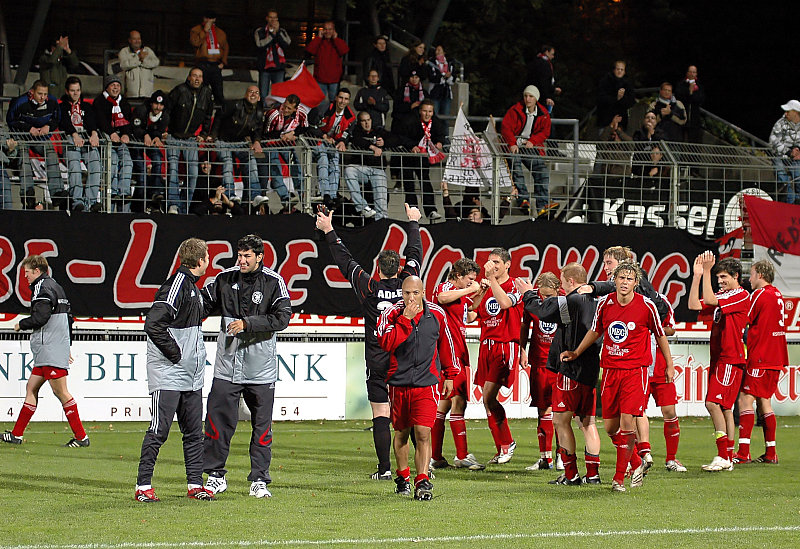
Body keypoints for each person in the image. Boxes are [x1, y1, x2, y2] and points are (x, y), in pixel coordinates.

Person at [315, 204, 422, 480]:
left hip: (377, 359)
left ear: (378, 268)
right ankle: (421, 467)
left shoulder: (369, 288)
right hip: (404, 359)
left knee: (381, 413)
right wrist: (413, 222)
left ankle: (384, 469)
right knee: (410, 413)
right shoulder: (408, 288)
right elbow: (415, 254)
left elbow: (345, 262)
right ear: (399, 269)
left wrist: (329, 230)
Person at [561, 261, 672, 492]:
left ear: (635, 282)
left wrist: (669, 365)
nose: (624, 282)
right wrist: (576, 352)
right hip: (610, 370)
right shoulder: (605, 303)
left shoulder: (647, 306)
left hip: (636, 371)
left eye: (629, 279)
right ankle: (636, 462)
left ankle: (619, 478)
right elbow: (595, 331)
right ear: (615, 280)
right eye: (621, 278)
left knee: (627, 421)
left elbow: (661, 335)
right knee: (611, 428)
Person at [201, 235, 292, 499]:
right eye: (239, 255)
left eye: (246, 256)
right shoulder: (224, 279)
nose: (241, 260)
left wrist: (248, 324)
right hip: (227, 367)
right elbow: (202, 305)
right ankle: (215, 476)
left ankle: (259, 480)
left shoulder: (274, 282)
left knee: (262, 427)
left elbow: (283, 318)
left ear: (259, 257)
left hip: (260, 369)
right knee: (217, 422)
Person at [135, 238, 213, 503]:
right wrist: (175, 354)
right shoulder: (176, 285)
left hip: (190, 376)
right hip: (169, 373)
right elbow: (153, 324)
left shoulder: (191, 287)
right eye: (207, 256)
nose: (208, 261)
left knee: (194, 433)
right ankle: (143, 486)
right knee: (159, 431)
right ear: (200, 260)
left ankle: (195, 484)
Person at [516, 263, 603, 485]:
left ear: (571, 281)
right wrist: (597, 286)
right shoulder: (599, 301)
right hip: (591, 370)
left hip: (570, 369)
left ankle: (571, 474)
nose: (562, 284)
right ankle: (593, 475)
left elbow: (542, 311)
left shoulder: (569, 301)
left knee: (560, 421)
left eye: (563, 280)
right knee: (588, 423)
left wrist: (528, 294)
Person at [376, 276, 459, 500]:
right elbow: (385, 342)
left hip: (427, 382)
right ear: (401, 294)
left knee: (423, 432)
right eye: (406, 293)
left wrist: (450, 374)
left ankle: (422, 479)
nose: (411, 297)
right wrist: (405, 320)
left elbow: (446, 344)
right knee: (401, 432)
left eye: (415, 293)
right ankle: (402, 477)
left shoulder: (437, 314)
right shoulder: (391, 313)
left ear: (423, 293)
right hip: (398, 383)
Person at [2, 255, 87, 448]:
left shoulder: (42, 288)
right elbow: (69, 318)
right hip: (50, 348)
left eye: (27, 272)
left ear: (37, 271)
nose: (25, 276)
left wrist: (21, 324)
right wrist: (66, 345)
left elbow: (41, 317)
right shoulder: (56, 286)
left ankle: (82, 437)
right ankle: (16, 435)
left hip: (50, 348)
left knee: (61, 392)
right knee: (31, 388)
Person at [687, 251, 749, 472]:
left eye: (724, 277)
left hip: (730, 358)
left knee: (712, 403)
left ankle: (723, 456)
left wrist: (706, 271)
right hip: (721, 358)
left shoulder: (741, 295)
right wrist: (697, 276)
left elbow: (710, 300)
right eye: (718, 277)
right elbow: (694, 305)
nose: (720, 281)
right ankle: (728, 457)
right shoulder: (725, 296)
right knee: (725, 408)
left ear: (736, 277)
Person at [470, 248, 524, 464]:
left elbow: (505, 303)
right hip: (486, 346)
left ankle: (508, 442)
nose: (492, 266)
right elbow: (471, 313)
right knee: (487, 401)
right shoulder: (487, 287)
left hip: (504, 346)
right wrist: (481, 292)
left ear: (508, 264)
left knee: (488, 396)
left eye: (497, 262)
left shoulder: (515, 286)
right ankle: (502, 448)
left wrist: (491, 280)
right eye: (490, 262)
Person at [429, 258, 484, 472]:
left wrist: (479, 293)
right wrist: (470, 290)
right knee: (459, 401)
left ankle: (435, 456)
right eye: (469, 279)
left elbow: (469, 315)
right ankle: (462, 456)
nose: (472, 282)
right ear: (458, 275)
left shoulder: (460, 294)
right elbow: (441, 297)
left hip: (458, 351)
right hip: (449, 353)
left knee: (443, 405)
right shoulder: (446, 287)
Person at [733, 259, 787, 465]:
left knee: (745, 399)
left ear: (761, 275)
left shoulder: (759, 295)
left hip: (762, 356)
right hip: (776, 356)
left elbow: (743, 318)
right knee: (764, 401)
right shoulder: (777, 294)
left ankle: (743, 452)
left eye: (752, 274)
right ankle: (771, 453)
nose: (749, 279)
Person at [519, 273, 560, 471]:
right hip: (538, 362)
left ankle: (562, 456)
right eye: (543, 295)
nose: (545, 299)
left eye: (549, 295)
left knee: (560, 412)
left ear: (558, 290)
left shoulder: (565, 302)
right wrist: (522, 349)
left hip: (559, 365)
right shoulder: (533, 301)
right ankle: (545, 458)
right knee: (542, 409)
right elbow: (525, 325)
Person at [645, 293, 686, 472]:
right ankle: (639, 457)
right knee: (636, 414)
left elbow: (671, 329)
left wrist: (654, 327)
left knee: (669, 411)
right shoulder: (626, 302)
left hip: (660, 367)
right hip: (639, 368)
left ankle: (671, 459)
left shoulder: (660, 300)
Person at [5, 80, 62, 209]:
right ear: (32, 92)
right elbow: (11, 120)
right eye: (40, 94)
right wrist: (28, 128)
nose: (43, 97)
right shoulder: (20, 102)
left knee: (51, 153)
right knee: (23, 157)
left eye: (45, 94)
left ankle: (57, 193)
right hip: (22, 136)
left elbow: (57, 118)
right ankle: (28, 195)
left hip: (41, 137)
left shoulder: (52, 102)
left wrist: (49, 126)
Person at [166, 67, 214, 214]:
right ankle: (173, 204)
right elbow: (166, 110)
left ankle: (184, 208)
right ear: (189, 77)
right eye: (194, 76)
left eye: (200, 76)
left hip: (191, 138)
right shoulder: (179, 90)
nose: (197, 79)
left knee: (193, 173)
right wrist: (164, 130)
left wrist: (204, 134)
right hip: (173, 136)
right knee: (173, 170)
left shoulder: (206, 93)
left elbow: (208, 116)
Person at [500, 85, 553, 216]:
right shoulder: (515, 110)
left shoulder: (543, 114)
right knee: (516, 167)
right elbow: (506, 128)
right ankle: (523, 200)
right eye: (525, 96)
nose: (527, 99)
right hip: (514, 146)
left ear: (536, 99)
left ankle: (542, 205)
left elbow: (545, 132)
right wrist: (512, 143)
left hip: (530, 147)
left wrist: (533, 141)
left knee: (542, 171)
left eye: (531, 96)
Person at [210, 85, 265, 210]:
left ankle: (255, 195)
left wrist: (257, 141)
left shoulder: (259, 112)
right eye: (251, 92)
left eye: (256, 93)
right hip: (223, 141)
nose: (253, 94)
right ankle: (230, 195)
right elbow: (218, 117)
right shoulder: (234, 105)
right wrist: (213, 136)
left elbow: (257, 130)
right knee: (228, 163)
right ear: (245, 94)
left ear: (259, 97)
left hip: (240, 142)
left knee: (251, 160)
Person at [342, 110, 404, 219]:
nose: (367, 123)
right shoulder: (356, 131)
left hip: (378, 170)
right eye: (363, 121)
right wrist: (372, 146)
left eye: (368, 120)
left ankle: (381, 222)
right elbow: (355, 139)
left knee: (381, 206)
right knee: (349, 170)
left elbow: (396, 139)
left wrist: (384, 142)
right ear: (359, 122)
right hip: (362, 169)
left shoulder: (378, 131)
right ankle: (362, 207)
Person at [393, 100, 445, 220]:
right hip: (408, 155)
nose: (427, 114)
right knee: (409, 184)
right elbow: (401, 136)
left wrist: (439, 142)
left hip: (423, 157)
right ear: (420, 111)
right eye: (425, 111)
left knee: (425, 181)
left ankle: (431, 210)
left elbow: (441, 135)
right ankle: (413, 211)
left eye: (430, 111)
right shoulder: (409, 120)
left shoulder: (436, 121)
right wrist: (411, 145)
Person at [261, 94, 311, 212]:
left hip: (287, 144)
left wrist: (294, 134)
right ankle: (286, 198)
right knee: (276, 171)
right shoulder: (273, 114)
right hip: (271, 144)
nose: (285, 110)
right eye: (285, 106)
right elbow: (266, 134)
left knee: (296, 168)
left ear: (295, 109)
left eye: (289, 108)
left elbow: (305, 127)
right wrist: (281, 135)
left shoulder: (302, 113)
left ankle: (305, 198)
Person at [59, 76, 101, 212]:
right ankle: (77, 202)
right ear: (67, 91)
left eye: (78, 90)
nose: (75, 93)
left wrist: (94, 134)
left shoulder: (87, 106)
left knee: (96, 166)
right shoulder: (61, 107)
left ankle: (91, 202)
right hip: (70, 138)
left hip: (87, 138)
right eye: (72, 90)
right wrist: (75, 135)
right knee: (75, 167)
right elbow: (64, 122)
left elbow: (92, 121)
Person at [94, 75, 134, 210]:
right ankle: (112, 195)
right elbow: (100, 120)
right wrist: (111, 133)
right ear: (107, 87)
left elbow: (128, 121)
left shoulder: (124, 103)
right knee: (113, 162)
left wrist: (126, 134)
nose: (116, 88)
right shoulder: (99, 101)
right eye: (113, 85)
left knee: (128, 161)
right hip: (106, 137)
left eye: (118, 85)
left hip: (120, 138)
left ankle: (123, 193)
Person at [314, 88, 355, 207]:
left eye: (346, 99)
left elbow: (347, 133)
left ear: (348, 101)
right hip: (317, 140)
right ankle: (325, 194)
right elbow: (311, 126)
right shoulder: (324, 109)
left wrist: (342, 141)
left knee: (335, 164)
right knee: (323, 161)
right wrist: (323, 136)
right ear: (336, 98)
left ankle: (333, 195)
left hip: (333, 143)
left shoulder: (350, 116)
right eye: (341, 98)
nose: (342, 101)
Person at [130, 90, 169, 213]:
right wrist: (144, 134)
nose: (158, 107)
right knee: (141, 172)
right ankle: (138, 207)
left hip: (150, 142)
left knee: (157, 160)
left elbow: (159, 130)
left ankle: (155, 193)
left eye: (161, 105)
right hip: (136, 141)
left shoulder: (165, 116)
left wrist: (157, 136)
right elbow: (134, 127)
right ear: (151, 103)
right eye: (156, 104)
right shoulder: (141, 110)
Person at [305, 21, 349, 114]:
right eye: (325, 29)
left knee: (335, 101)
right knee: (319, 102)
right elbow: (310, 50)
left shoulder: (337, 41)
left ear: (334, 30)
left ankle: (333, 118)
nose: (328, 31)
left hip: (334, 79)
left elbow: (344, 50)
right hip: (320, 78)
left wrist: (335, 38)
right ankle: (320, 118)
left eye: (330, 29)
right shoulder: (319, 41)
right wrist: (318, 37)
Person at [190, 12, 229, 103]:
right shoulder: (196, 30)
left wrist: (223, 62)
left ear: (214, 19)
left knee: (218, 92)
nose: (208, 20)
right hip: (202, 64)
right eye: (206, 18)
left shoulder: (220, 32)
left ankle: (219, 109)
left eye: (211, 18)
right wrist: (204, 31)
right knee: (201, 91)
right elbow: (195, 43)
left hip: (215, 65)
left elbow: (225, 47)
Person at [254, 10, 291, 102]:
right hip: (265, 67)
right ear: (267, 18)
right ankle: (263, 109)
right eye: (271, 17)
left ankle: (277, 110)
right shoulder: (260, 31)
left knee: (279, 94)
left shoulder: (282, 31)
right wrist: (272, 35)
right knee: (263, 94)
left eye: (275, 18)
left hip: (279, 67)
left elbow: (287, 44)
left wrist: (277, 33)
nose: (273, 20)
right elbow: (260, 45)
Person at [768, 100, 800, 204]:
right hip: (781, 156)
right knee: (782, 176)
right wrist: (789, 152)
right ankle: (790, 200)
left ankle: (798, 201)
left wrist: (798, 152)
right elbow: (773, 142)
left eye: (788, 111)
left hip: (797, 157)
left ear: (795, 113)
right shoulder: (780, 123)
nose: (785, 113)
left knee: (798, 175)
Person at [118, 30, 160, 99]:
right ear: (129, 40)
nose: (137, 41)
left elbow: (155, 62)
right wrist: (138, 58)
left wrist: (143, 60)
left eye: (139, 39)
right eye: (134, 39)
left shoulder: (148, 50)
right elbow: (123, 65)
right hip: (132, 93)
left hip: (147, 93)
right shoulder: (124, 51)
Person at [596, 60, 636, 131]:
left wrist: (622, 99)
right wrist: (616, 98)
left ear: (624, 72)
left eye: (622, 69)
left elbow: (631, 101)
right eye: (618, 69)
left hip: (621, 120)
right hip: (606, 119)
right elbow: (601, 99)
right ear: (614, 70)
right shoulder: (605, 82)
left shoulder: (628, 84)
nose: (619, 71)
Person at [674, 65, 705, 143]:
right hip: (682, 116)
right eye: (690, 72)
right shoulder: (681, 84)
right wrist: (689, 91)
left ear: (696, 74)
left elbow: (700, 99)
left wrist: (692, 94)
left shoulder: (699, 86)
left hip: (694, 119)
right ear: (687, 73)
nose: (692, 74)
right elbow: (679, 96)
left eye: (694, 72)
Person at [528, 45, 561, 113]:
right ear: (546, 52)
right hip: (542, 98)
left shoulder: (535, 61)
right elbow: (543, 82)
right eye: (552, 54)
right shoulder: (544, 64)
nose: (553, 57)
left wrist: (553, 89)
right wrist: (546, 97)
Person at [427, 45, 454, 116]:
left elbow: (453, 78)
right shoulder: (432, 62)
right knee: (435, 115)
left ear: (444, 52)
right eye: (436, 50)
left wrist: (449, 77)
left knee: (446, 115)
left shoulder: (449, 63)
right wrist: (443, 77)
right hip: (435, 93)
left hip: (446, 93)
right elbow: (431, 77)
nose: (437, 52)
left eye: (439, 50)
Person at [0, 127, 19, 210]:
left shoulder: (3, 130)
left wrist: (11, 149)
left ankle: (7, 215)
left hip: (1, 167)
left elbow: (11, 156)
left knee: (5, 188)